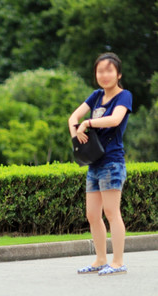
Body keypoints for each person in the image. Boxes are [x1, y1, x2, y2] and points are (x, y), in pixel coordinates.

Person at [68, 52, 132, 276]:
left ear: (118, 74)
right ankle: (100, 259)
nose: (104, 75)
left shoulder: (124, 96)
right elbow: (72, 119)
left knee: (112, 212)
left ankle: (118, 261)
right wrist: (77, 137)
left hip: (112, 162)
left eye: (109, 70)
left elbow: (115, 119)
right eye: (100, 71)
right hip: (93, 163)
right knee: (92, 214)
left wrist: (88, 123)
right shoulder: (96, 96)